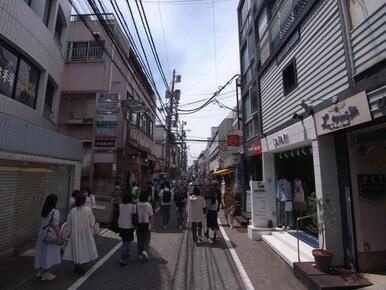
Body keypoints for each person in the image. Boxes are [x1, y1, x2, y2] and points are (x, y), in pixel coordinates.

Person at [63, 193, 98, 275]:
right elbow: (92, 222)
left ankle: (76, 266)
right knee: (84, 249)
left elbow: (69, 223)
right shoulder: (87, 210)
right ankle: (82, 267)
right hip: (86, 233)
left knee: (75, 248)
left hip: (75, 234)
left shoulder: (73, 211)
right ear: (84, 201)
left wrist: (67, 234)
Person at [34, 194, 62, 281]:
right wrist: (59, 237)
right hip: (50, 235)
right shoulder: (55, 212)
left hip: (42, 234)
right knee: (48, 253)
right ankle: (46, 273)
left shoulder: (44, 211)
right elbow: (56, 226)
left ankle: (39, 272)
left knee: (41, 252)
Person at [118, 194, 135, 266]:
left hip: (121, 226)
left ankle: (127, 253)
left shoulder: (120, 206)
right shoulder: (132, 206)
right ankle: (122, 258)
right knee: (126, 242)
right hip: (129, 226)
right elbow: (134, 216)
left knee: (125, 240)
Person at [136, 191, 154, 261]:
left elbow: (135, 215)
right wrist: (152, 226)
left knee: (139, 241)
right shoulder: (148, 204)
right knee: (147, 240)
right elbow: (151, 216)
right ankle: (145, 251)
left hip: (139, 225)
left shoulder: (137, 204)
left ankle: (140, 255)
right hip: (147, 225)